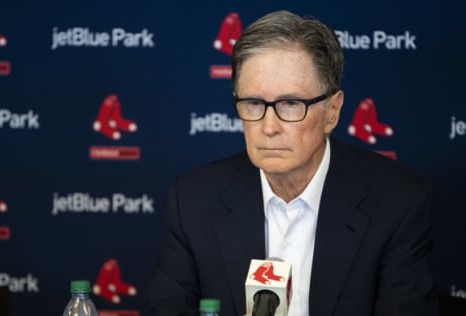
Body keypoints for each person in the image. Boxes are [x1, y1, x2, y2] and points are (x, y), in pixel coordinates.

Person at [145, 10, 438, 316]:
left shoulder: (399, 204)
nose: (269, 126)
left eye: (290, 104)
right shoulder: (193, 200)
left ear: (332, 111)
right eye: (254, 104)